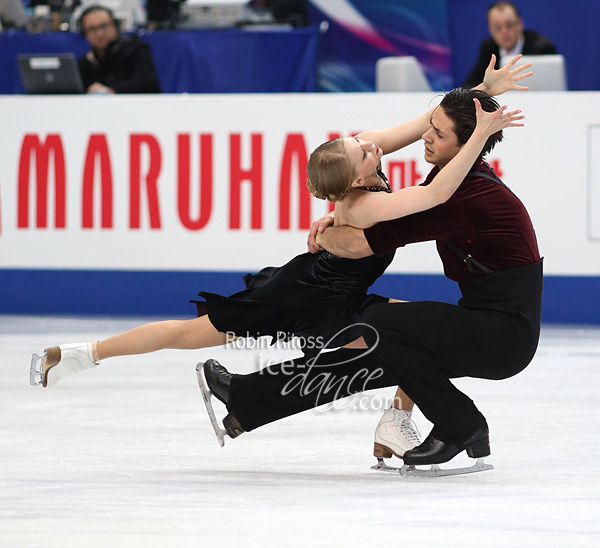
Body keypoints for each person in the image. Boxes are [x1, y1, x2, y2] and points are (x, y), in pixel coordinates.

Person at [32, 56, 530, 463]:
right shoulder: (367, 202)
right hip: (303, 291)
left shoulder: (361, 173)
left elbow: (439, 119)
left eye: (359, 140)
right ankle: (85, 353)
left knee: (400, 330)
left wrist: (484, 95)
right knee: (191, 332)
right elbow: (434, 191)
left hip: (343, 296)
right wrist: (482, 131)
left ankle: (393, 423)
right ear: (357, 178)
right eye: (362, 149)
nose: (372, 143)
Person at [200, 77, 541, 472]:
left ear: (467, 146)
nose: (426, 136)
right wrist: (484, 92)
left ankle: (461, 425)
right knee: (370, 357)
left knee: (374, 321)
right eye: (431, 125)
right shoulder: (460, 175)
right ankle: (248, 398)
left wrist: (330, 227)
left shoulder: (462, 198)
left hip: (502, 335)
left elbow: (362, 243)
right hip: (491, 323)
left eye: (439, 133)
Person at [462, 1, 556, 89]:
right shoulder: (488, 47)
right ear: (490, 29)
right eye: (497, 27)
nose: (504, 32)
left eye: (509, 25)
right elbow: (471, 84)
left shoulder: (542, 47)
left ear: (520, 24)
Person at [77, 5, 161, 94]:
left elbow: (148, 84)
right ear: (85, 34)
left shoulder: (136, 50)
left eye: (104, 26)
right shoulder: (85, 62)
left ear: (115, 25)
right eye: (92, 29)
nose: (99, 33)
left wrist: (112, 91)